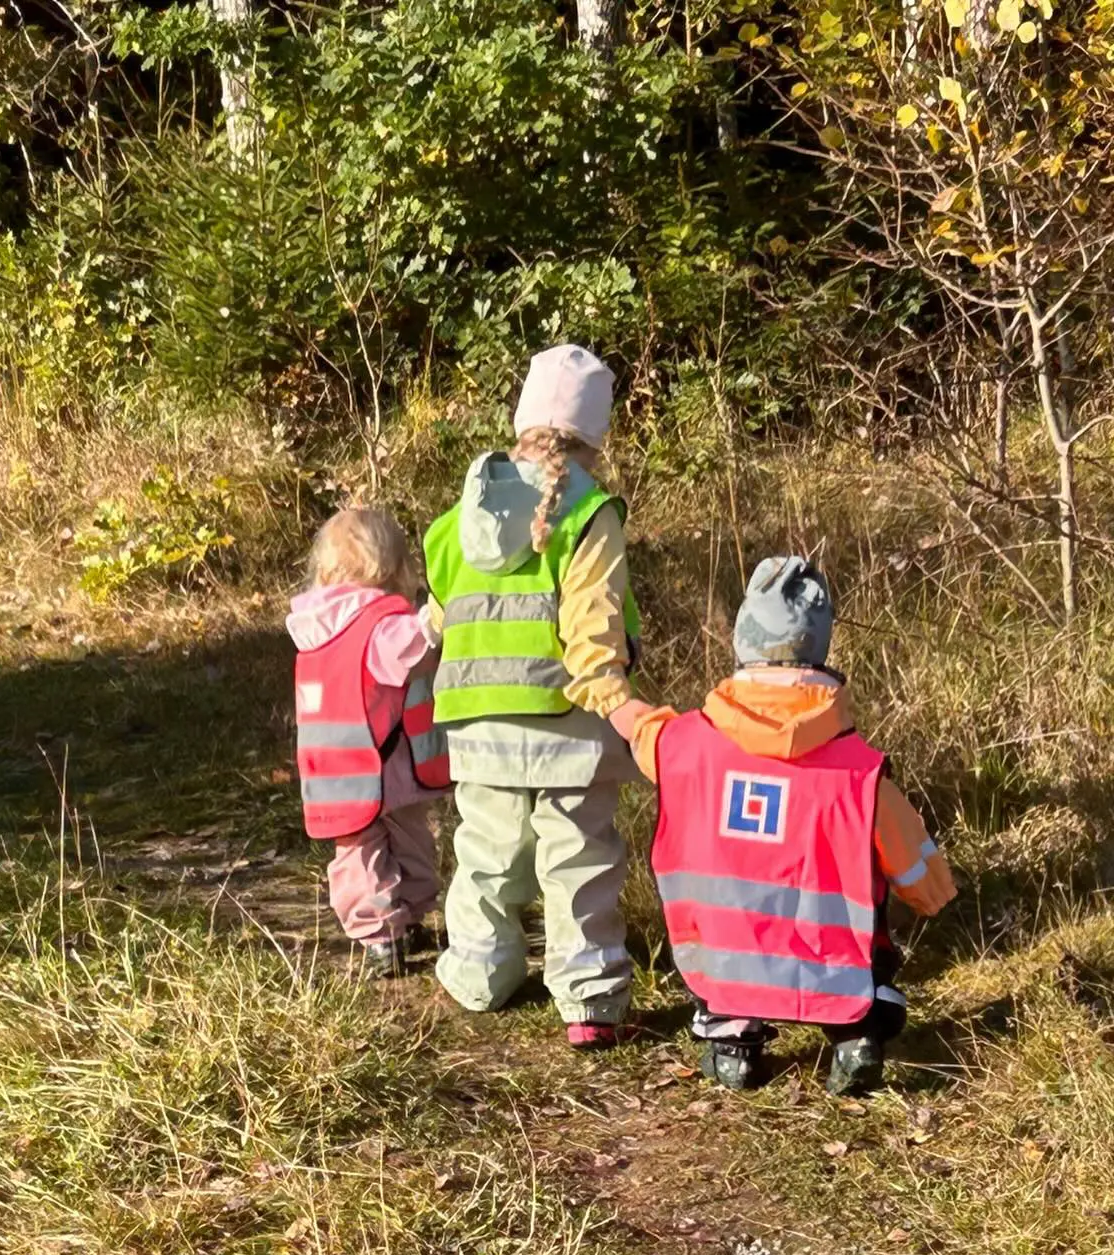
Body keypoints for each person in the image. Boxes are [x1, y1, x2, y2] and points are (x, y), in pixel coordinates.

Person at [628, 556, 956, 1094]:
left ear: (742, 641)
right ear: (820, 649)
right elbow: (913, 863)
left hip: (722, 966)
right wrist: (934, 893)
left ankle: (733, 1045)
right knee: (866, 989)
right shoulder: (859, 774)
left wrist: (607, 690)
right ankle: (854, 1036)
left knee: (724, 987)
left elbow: (643, 732)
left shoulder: (681, 746)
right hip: (832, 969)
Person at [423, 344, 648, 1049]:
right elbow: (592, 634)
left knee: (487, 854)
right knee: (576, 860)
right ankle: (588, 999)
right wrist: (621, 706)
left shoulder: (461, 515)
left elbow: (440, 616)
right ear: (597, 434)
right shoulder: (589, 512)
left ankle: (479, 974)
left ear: (521, 419)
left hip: (476, 725)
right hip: (569, 728)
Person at [288, 508, 450, 972]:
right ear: (394, 566)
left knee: (356, 852)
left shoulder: (313, 627)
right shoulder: (378, 624)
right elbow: (416, 647)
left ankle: (379, 931)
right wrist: (442, 614)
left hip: (333, 769)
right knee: (413, 840)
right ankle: (399, 923)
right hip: (388, 765)